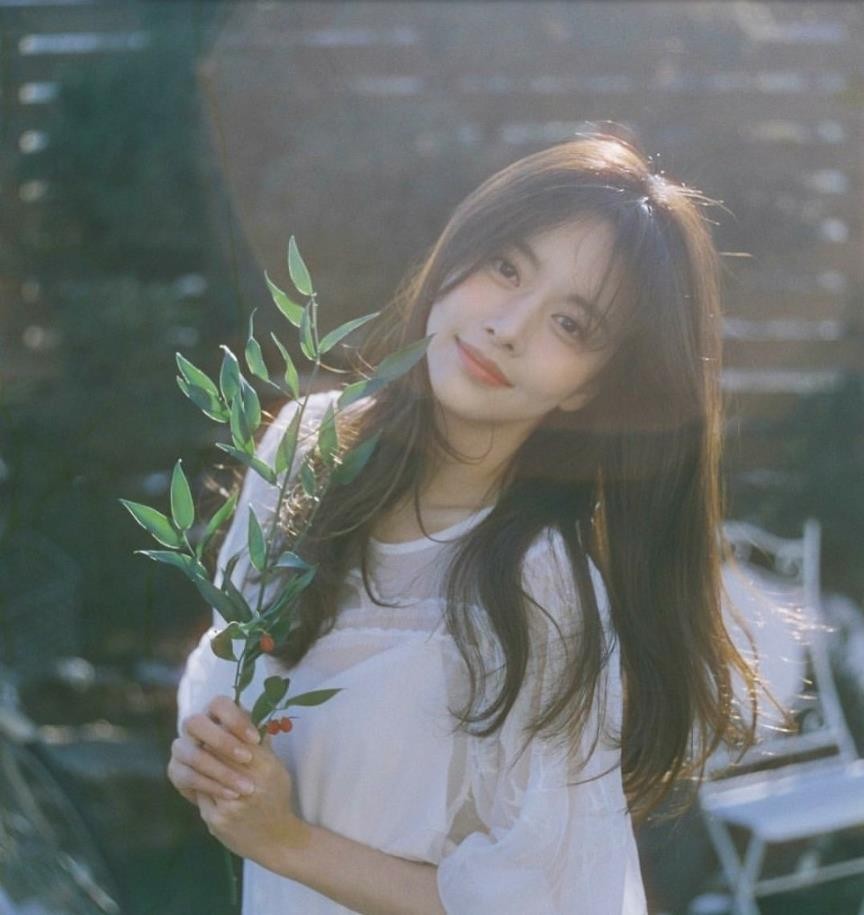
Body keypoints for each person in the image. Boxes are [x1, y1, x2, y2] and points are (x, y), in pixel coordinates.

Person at [167, 130, 760, 914]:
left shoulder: (542, 592)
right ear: (458, 253)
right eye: (506, 267)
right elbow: (228, 654)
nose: (508, 325)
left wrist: (285, 841)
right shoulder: (306, 447)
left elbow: (541, 904)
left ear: (589, 387)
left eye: (570, 324)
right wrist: (211, 752)